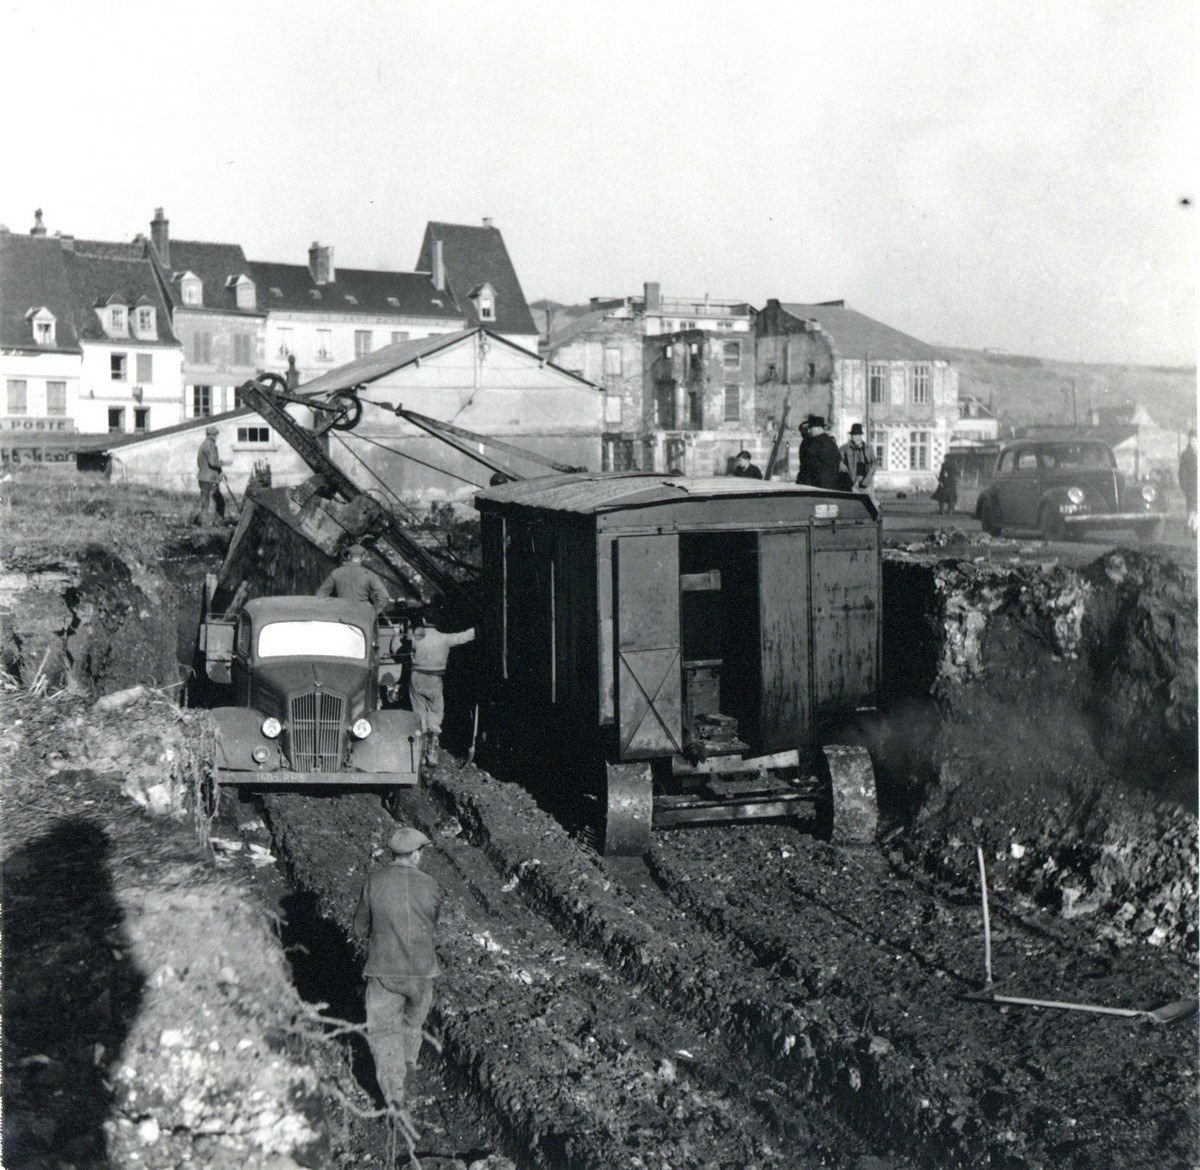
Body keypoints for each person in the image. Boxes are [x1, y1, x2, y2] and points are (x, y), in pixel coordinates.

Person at [353, 826, 444, 1113]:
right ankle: (409, 1073)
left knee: (384, 1033)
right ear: (417, 855)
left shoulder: (373, 881)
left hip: (385, 971)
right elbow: (433, 922)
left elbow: (359, 929)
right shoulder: (430, 884)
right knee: (411, 1026)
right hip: (422, 973)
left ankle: (395, 1097)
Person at [409, 612, 475, 766]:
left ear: (424, 620)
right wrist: (476, 630)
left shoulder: (416, 636)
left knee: (419, 713)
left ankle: (418, 752)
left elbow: (399, 646)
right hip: (435, 679)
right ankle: (431, 753)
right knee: (435, 711)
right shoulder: (444, 639)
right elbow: (462, 637)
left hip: (417, 676)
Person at [317, 544, 390, 614]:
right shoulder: (369, 575)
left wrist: (333, 607)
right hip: (361, 616)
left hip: (340, 613)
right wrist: (373, 612)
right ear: (363, 557)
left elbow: (320, 594)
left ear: (348, 556)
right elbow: (384, 596)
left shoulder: (336, 572)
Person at [795, 415, 840, 489]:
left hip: (816, 486)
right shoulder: (830, 442)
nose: (809, 431)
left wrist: (801, 482)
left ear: (818, 428)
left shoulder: (816, 443)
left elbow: (808, 466)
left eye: (811, 428)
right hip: (829, 485)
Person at [197, 425, 227, 525]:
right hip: (211, 479)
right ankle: (215, 524)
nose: (217, 437)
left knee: (205, 502)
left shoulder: (204, 444)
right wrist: (224, 463)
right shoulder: (211, 445)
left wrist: (220, 471)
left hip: (203, 477)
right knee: (217, 502)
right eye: (216, 435)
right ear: (214, 435)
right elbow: (213, 462)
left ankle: (204, 524)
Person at [839, 423, 876, 499]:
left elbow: (874, 462)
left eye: (855, 434)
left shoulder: (868, 447)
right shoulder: (844, 448)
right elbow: (839, 462)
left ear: (860, 435)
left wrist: (870, 475)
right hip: (852, 480)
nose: (853, 436)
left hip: (866, 479)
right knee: (854, 501)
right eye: (852, 434)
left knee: (870, 501)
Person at [1180, 430, 1197, 535]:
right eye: (1191, 440)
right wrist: (1184, 485)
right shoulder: (1186, 454)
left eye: (1194, 439)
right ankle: (1188, 526)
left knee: (1197, 508)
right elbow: (1181, 472)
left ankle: (1194, 529)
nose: (1193, 442)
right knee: (1193, 507)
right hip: (1191, 485)